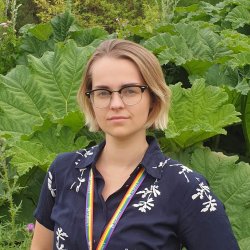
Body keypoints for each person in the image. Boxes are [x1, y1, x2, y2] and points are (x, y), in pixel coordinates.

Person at [31, 39, 239, 250]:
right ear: (91, 101)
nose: (116, 104)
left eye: (130, 91)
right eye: (103, 93)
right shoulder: (63, 172)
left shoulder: (186, 187)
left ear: (153, 99)